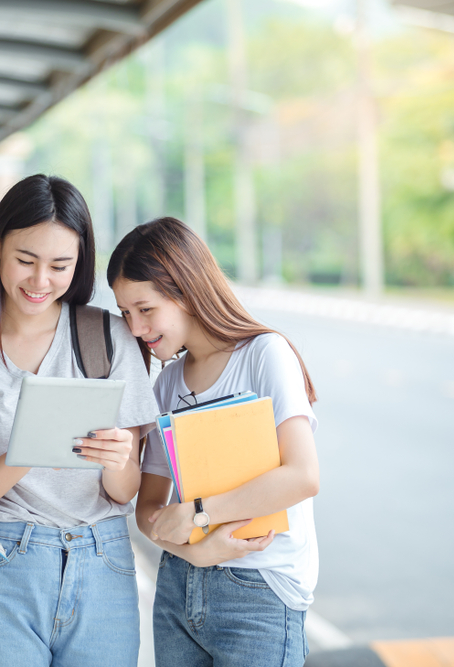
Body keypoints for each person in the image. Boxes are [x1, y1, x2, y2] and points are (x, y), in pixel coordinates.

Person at [0, 174, 157, 666]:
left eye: (60, 265)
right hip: (3, 565)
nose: (41, 281)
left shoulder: (108, 339)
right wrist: (30, 449)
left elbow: (125, 490)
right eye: (26, 260)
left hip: (102, 562)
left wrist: (116, 460)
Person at [108, 217, 320, 667]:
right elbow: (148, 511)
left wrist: (201, 512)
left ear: (185, 290)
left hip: (259, 595)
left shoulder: (265, 353)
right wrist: (193, 550)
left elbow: (302, 476)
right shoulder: (165, 385)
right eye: (126, 313)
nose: (135, 328)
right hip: (178, 590)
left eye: (145, 309)